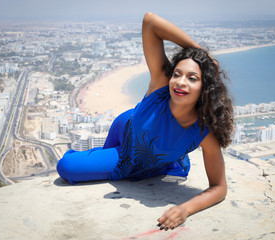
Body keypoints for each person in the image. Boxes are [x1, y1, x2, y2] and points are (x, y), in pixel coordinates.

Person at [57, 12, 234, 231]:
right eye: (177, 74)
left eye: (192, 78)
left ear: (205, 88)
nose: (180, 82)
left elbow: (219, 187)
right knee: (67, 167)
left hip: (149, 148)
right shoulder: (161, 83)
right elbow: (150, 21)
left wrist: (185, 209)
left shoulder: (204, 132)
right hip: (124, 132)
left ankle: (161, 162)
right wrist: (203, 54)